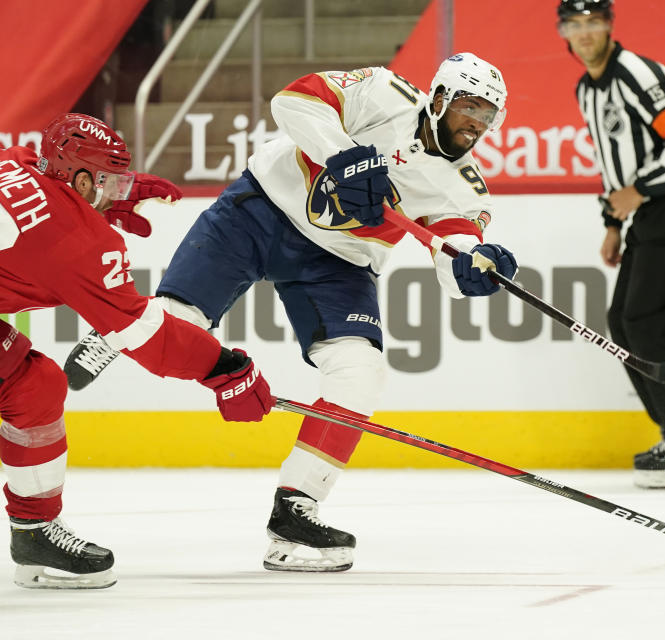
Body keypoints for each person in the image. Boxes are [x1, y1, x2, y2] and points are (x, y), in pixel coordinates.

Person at [63, 52, 518, 572]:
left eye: (488, 114)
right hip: (260, 211)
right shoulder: (385, 91)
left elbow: (456, 247)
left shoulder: (466, 185)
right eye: (469, 107)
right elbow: (294, 100)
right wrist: (345, 155)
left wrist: (474, 267)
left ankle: (296, 510)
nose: (476, 124)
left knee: (359, 373)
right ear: (438, 97)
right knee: (178, 319)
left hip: (338, 262)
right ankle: (119, 332)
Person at [0, 113, 274, 590]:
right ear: (81, 178)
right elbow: (149, 339)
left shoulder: (19, 160)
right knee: (31, 386)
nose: (116, 191)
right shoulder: (78, 242)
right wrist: (223, 368)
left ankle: (34, 532)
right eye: (108, 182)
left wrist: (105, 197)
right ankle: (35, 529)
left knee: (33, 385)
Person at [557, 0, 665, 489]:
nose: (584, 33)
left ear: (609, 26)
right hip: (649, 211)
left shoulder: (636, 72)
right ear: (563, 31)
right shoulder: (587, 89)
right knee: (622, 323)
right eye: (574, 25)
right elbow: (616, 165)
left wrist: (639, 193)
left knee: (645, 319)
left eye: (593, 23)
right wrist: (613, 222)